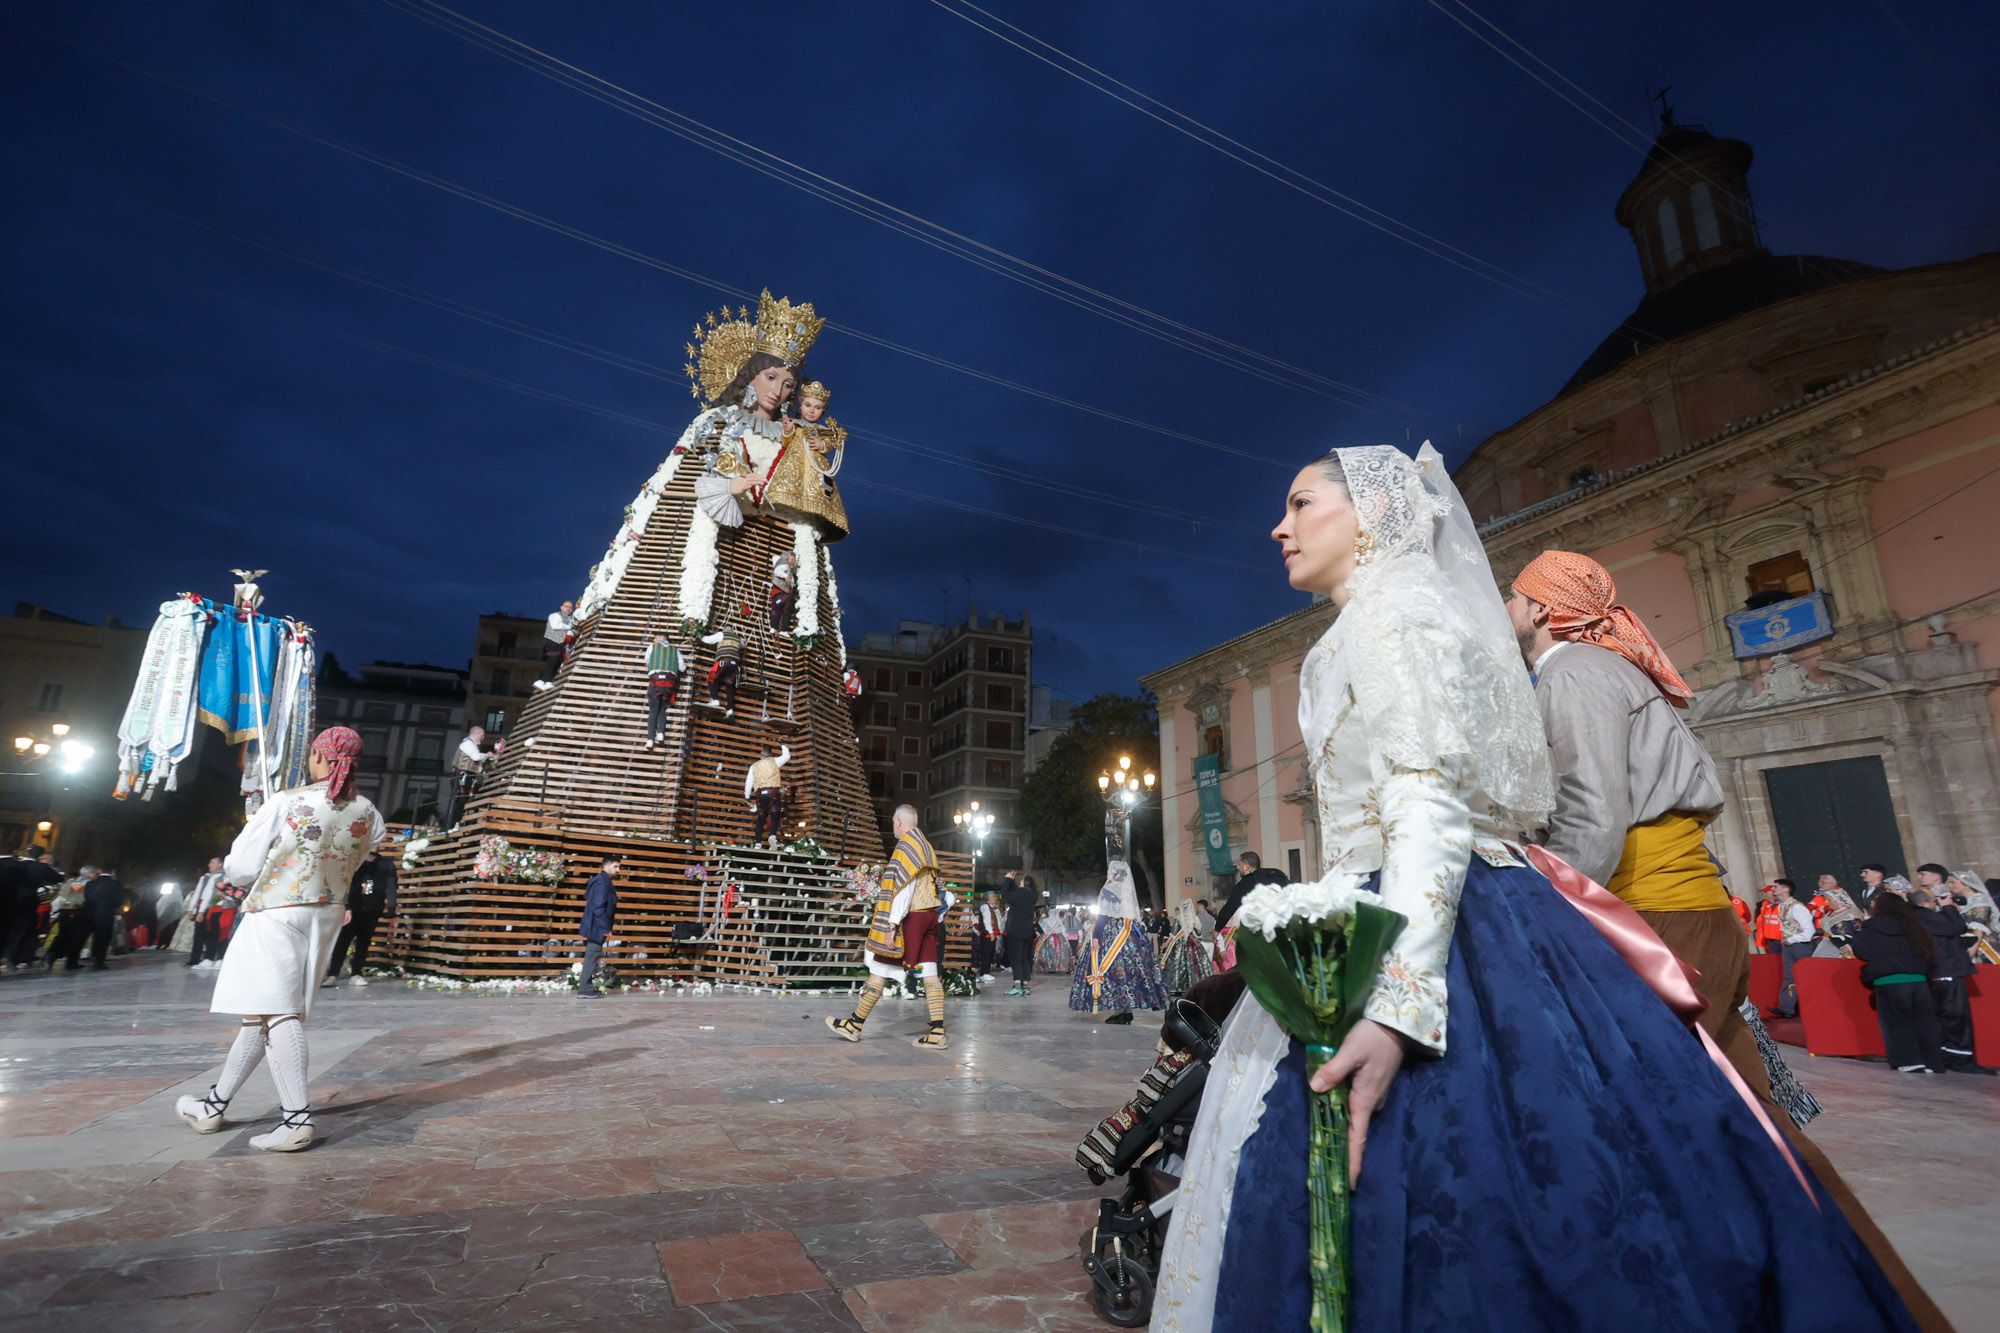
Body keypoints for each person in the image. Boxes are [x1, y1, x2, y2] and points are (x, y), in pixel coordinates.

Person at [1155, 443, 1911, 1331]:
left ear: (1372, 519)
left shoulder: (1395, 618)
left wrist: (1397, 1005)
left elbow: (1429, 801)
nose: (1278, 526)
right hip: (1450, 907)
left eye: (1302, 502)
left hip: (1428, 922)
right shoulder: (1380, 621)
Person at [1507, 548, 1784, 1100]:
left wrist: (1540, 913)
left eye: (1512, 596)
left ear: (1540, 610)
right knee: (1743, 1113)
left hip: (1656, 920)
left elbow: (1591, 813)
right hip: (1690, 911)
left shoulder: (1576, 673)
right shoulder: (1604, 669)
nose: (1504, 605)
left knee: (1667, 1113)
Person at [176, 727, 385, 1152]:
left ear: (322, 757)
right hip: (325, 913)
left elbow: (238, 868)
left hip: (276, 909)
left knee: (276, 1012)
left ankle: (295, 1119)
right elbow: (363, 853)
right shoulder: (369, 812)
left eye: (312, 754)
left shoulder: (287, 801)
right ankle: (213, 1106)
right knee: (261, 1013)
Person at [826, 805, 953, 1048]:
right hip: (929, 915)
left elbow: (903, 888)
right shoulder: (926, 845)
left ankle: (854, 1024)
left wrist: (892, 925)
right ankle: (937, 1032)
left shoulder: (905, 845)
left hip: (912, 918)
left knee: (880, 967)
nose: (893, 827)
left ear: (898, 822)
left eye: (894, 823)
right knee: (930, 973)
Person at [1068, 846, 1167, 1025]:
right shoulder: (1127, 891)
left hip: (1110, 936)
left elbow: (1103, 916)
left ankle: (1119, 1010)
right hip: (1129, 936)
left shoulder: (1109, 890)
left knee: (1111, 972)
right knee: (1127, 973)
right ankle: (1126, 1010)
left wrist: (1096, 937)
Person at [1852, 891, 1947, 1074]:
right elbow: (1929, 951)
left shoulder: (1871, 928)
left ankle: (1908, 1060)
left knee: (1897, 1021)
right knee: (1925, 1022)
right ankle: (1932, 1061)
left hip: (1888, 979)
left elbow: (1862, 952)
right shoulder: (1914, 926)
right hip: (1918, 980)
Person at [1909, 873, 1990, 1074]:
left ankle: (1947, 1056)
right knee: (1956, 1018)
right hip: (1945, 971)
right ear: (1925, 903)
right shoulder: (1924, 916)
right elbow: (1958, 927)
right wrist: (1947, 906)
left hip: (1933, 973)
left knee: (1943, 1018)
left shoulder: (1912, 918)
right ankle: (1962, 1060)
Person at [325, 849, 397, 986]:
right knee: (342, 942)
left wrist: (391, 906)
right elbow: (346, 885)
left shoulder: (386, 864)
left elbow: (391, 885)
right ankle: (333, 973)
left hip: (373, 909)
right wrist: (347, 907)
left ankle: (356, 973)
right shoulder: (355, 861)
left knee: (364, 943)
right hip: (353, 908)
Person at [1, 847, 61, 970]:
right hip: (29, 903)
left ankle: (5, 953)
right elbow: (58, 878)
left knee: (8, 929)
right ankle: (11, 956)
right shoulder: (41, 867)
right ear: (40, 856)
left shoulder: (16, 864)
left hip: (11, 901)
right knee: (23, 931)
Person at [1768, 879, 1818, 1019]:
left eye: (1776, 887)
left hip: (1799, 946)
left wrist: (1791, 939)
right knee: (1789, 976)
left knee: (1806, 976)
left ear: (1785, 889)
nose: (1773, 889)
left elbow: (1809, 931)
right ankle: (1786, 1007)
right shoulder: (1783, 906)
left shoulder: (1797, 907)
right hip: (1788, 946)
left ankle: (1813, 1007)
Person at [576, 856, 619, 998]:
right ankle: (584, 989)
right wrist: (606, 927)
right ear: (606, 867)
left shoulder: (603, 881)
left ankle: (586, 986)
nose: (618, 870)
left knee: (592, 955)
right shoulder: (602, 882)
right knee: (592, 955)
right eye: (615, 867)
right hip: (597, 926)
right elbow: (598, 907)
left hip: (596, 925)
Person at [446, 726, 501, 830]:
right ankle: (450, 826)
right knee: (458, 801)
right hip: (461, 776)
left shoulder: (472, 745)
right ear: (476, 734)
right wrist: (487, 755)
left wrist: (494, 757)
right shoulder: (467, 743)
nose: (483, 738)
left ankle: (454, 824)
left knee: (462, 801)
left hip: (467, 777)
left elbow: (479, 767)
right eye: (482, 735)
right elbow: (476, 757)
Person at [745, 743, 792, 845]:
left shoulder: (754, 766)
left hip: (760, 794)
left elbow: (749, 782)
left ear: (761, 754)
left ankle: (758, 843)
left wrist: (747, 796)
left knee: (761, 817)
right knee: (775, 814)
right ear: (771, 754)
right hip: (773, 793)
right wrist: (783, 744)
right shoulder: (775, 761)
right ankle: (773, 836)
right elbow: (787, 756)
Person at [643, 633, 683, 749]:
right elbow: (682, 667)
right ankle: (660, 733)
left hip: (655, 683)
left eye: (655, 637)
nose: (654, 639)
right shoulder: (676, 650)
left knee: (653, 710)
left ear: (660, 638)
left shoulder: (652, 647)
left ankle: (650, 739)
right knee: (662, 709)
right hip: (669, 684)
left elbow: (647, 662)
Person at [185, 857, 227, 969]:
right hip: (204, 906)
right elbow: (199, 893)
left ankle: (212, 957)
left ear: (220, 864)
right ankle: (195, 958)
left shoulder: (224, 877)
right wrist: (192, 908)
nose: (209, 864)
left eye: (212, 862)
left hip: (217, 907)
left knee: (214, 934)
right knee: (199, 934)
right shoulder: (205, 877)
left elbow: (212, 895)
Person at [82, 865, 126, 970]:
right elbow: (118, 901)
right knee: (103, 938)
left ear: (99, 870)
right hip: (105, 914)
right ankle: (98, 961)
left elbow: (87, 897)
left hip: (89, 913)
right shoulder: (115, 884)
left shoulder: (90, 883)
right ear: (113, 871)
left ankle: (75, 959)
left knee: (84, 936)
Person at [1002, 872, 1039, 994]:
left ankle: (1017, 986)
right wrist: (1012, 882)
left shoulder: (1019, 895)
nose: (1019, 882)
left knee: (1015, 958)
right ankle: (1026, 985)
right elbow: (1016, 893)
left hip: (1016, 931)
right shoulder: (1033, 896)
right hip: (1028, 931)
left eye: (1021, 881)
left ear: (1025, 883)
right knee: (1024, 957)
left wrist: (1007, 879)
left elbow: (1006, 895)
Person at [698, 628, 743, 718]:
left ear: (725, 630)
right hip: (735, 665)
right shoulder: (738, 638)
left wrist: (700, 636)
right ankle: (730, 710)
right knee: (729, 686)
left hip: (724, 661)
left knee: (712, 679)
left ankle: (715, 700)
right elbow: (743, 646)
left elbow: (709, 640)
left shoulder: (722, 634)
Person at [533, 599, 575, 691]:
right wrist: (570, 626)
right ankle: (542, 680)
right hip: (553, 640)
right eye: (566, 606)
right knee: (552, 660)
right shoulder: (554, 615)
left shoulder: (570, 619)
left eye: (570, 607)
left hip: (561, 643)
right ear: (561, 607)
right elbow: (556, 626)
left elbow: (570, 632)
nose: (568, 609)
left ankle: (547, 681)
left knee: (558, 661)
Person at [972, 890, 1001, 975]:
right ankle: (984, 973)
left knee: (990, 953)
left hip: (990, 934)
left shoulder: (990, 907)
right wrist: (991, 933)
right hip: (987, 934)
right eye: (993, 897)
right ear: (989, 899)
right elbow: (986, 921)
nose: (995, 898)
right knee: (986, 954)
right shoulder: (985, 906)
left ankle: (986, 972)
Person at [768, 551, 798, 634]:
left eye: (794, 560)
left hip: (787, 593)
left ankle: (783, 630)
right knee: (778, 608)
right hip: (780, 592)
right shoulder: (784, 565)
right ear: (787, 559)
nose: (793, 561)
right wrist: (785, 576)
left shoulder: (790, 570)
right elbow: (777, 571)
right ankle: (774, 627)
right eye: (792, 559)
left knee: (786, 611)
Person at [154, 881, 185, 950]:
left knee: (165, 931)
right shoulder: (177, 896)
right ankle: (165, 943)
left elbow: (160, 904)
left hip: (166, 917)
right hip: (171, 918)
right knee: (169, 931)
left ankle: (162, 944)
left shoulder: (169, 896)